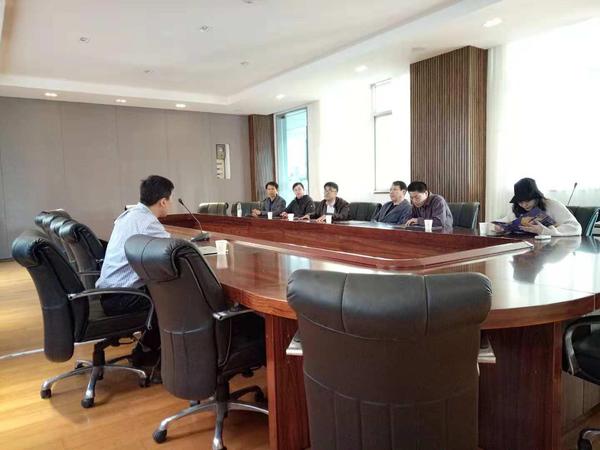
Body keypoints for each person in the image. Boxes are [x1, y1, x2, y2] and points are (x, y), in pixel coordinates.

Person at [96, 175, 174, 378]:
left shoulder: (129, 215)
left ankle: (146, 350)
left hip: (109, 293)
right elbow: (174, 251)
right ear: (163, 201)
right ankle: (151, 354)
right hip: (123, 298)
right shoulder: (147, 222)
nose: (170, 203)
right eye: (170, 199)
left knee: (163, 289)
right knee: (172, 298)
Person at [494, 178, 581, 236]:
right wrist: (500, 226)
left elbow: (575, 227)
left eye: (527, 201)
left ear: (536, 197)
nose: (524, 205)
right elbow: (508, 219)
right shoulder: (516, 207)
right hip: (525, 248)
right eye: (520, 202)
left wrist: (545, 231)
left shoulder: (552, 205)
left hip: (550, 249)